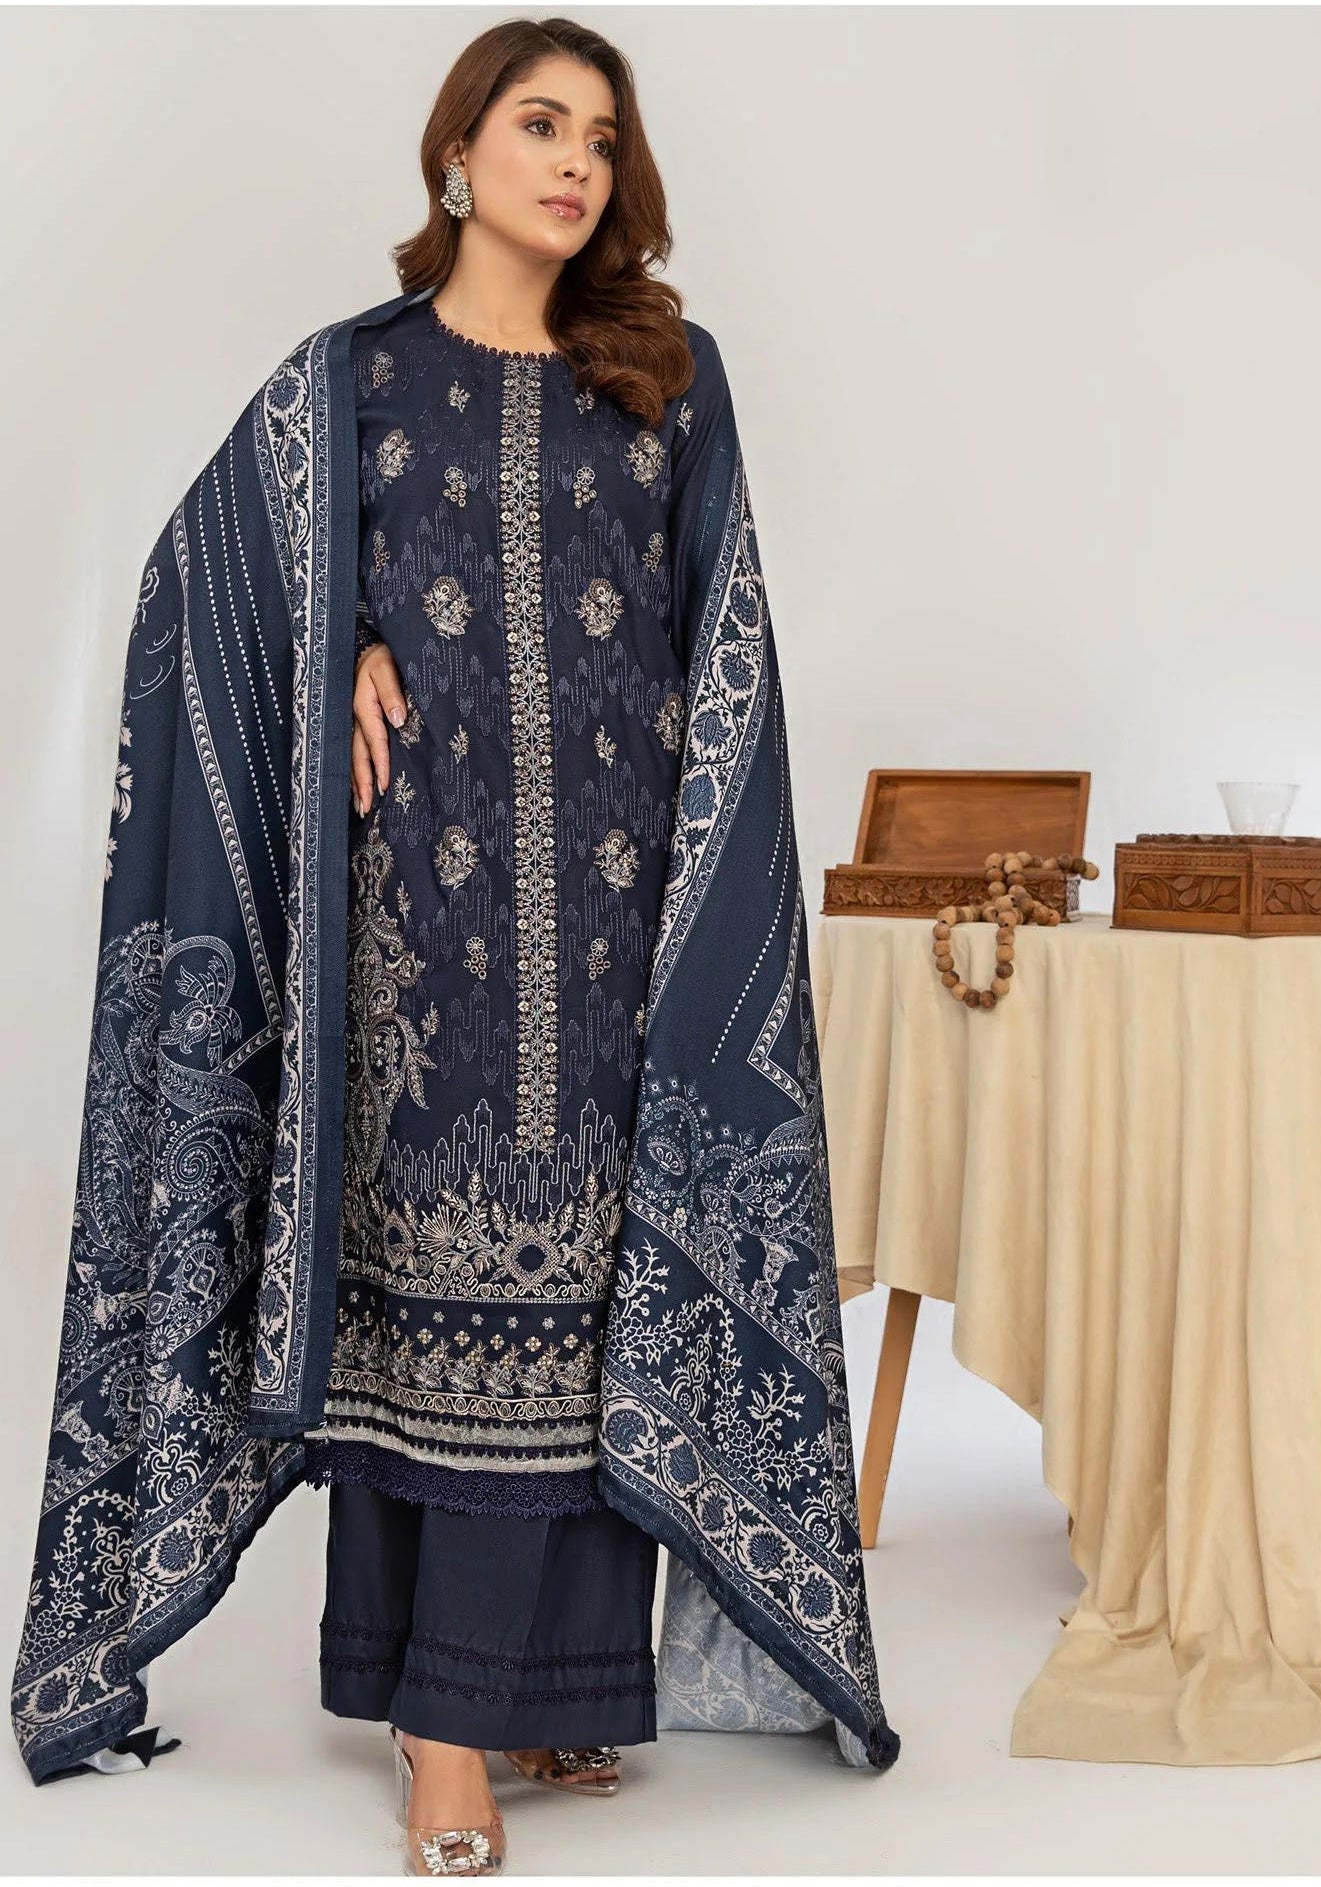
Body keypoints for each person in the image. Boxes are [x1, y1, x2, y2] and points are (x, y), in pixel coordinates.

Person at [11, 15, 898, 1874]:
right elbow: (202, 583)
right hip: (420, 945)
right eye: (536, 124)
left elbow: (720, 635)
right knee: (442, 1311)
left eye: (600, 138)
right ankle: (440, 1723)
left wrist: (709, 900)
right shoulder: (352, 381)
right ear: (458, 156)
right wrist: (327, 636)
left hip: (624, 912)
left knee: (584, 1301)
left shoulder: (668, 376)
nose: (572, 164)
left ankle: (559, 1694)